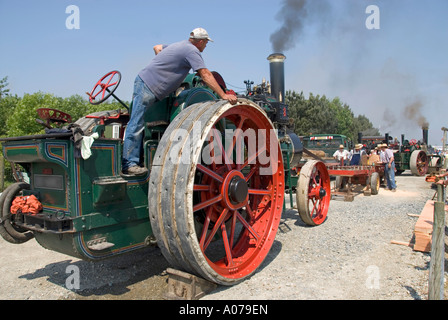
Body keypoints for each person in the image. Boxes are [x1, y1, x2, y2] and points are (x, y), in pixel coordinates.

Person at [122, 28, 238, 175]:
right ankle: (130, 164)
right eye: (206, 43)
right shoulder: (191, 51)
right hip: (148, 86)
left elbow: (157, 47)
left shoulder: (179, 45)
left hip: (146, 84)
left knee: (138, 123)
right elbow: (205, 74)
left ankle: (133, 160)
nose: (206, 46)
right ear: (201, 41)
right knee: (136, 123)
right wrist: (223, 95)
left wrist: (166, 70)